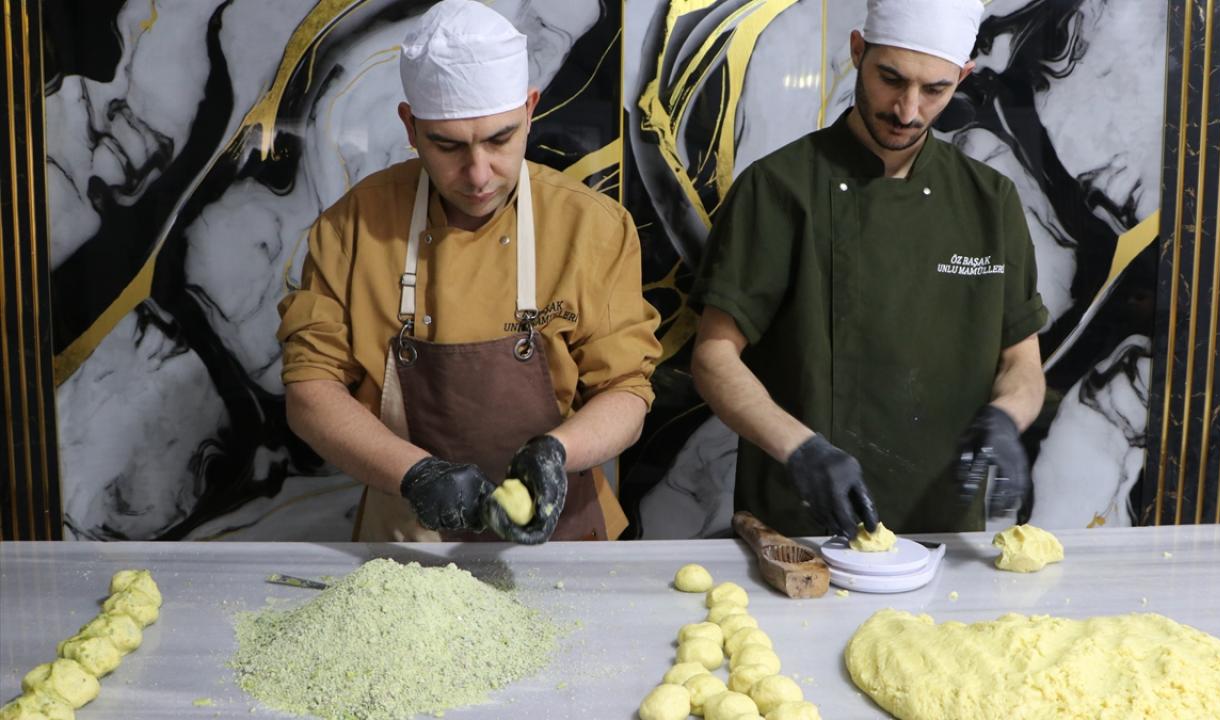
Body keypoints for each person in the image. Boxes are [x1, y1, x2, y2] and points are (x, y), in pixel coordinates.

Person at [277, 0, 661, 543]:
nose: (478, 174)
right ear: (411, 128)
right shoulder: (354, 227)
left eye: (500, 139)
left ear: (529, 110)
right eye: (448, 145)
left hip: (564, 538)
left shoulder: (592, 227)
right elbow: (310, 390)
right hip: (409, 538)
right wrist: (415, 473)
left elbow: (626, 389)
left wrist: (556, 452)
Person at [689, 0, 1047, 538]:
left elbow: (1022, 364)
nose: (908, 110)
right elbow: (714, 357)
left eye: (935, 91)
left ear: (963, 79)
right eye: (891, 79)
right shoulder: (778, 188)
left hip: (945, 529)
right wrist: (800, 448)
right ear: (857, 51)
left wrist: (1006, 418)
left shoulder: (989, 200)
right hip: (800, 527)